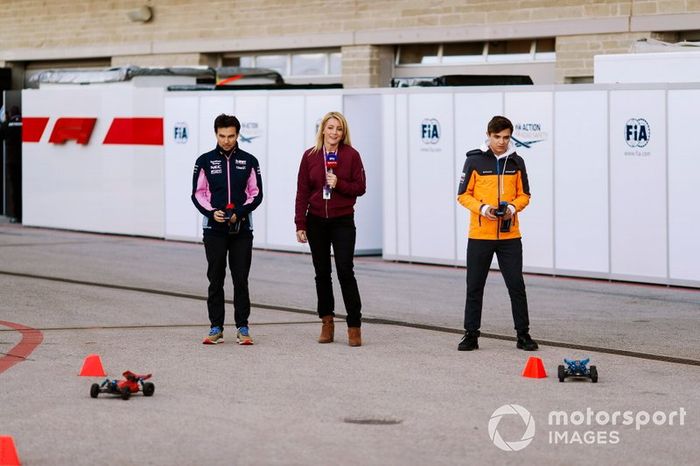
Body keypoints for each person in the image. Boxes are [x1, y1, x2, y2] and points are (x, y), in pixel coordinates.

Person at [456, 115, 538, 352]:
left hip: (510, 236)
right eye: (497, 137)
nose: (502, 142)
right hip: (480, 235)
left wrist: (512, 208)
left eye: (506, 137)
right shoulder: (474, 161)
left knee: (516, 286)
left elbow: (525, 195)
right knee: (474, 286)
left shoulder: (517, 162)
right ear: (488, 135)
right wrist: (483, 209)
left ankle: (523, 335)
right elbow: (463, 195)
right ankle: (471, 335)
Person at [295, 111, 366, 346]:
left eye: (339, 129)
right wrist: (300, 223)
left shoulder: (352, 155)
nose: (334, 132)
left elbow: (360, 187)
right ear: (323, 130)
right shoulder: (310, 156)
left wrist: (340, 184)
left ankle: (354, 326)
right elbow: (302, 191)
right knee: (322, 273)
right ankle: (327, 321)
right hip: (316, 221)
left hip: (343, 220)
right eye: (331, 127)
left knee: (345, 271)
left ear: (343, 132)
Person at [191, 114, 263, 345]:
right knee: (215, 278)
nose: (227, 140)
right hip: (214, 229)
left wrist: (239, 213)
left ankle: (243, 327)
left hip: (242, 230)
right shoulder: (204, 161)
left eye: (231, 136)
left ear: (237, 134)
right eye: (222, 136)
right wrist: (212, 212)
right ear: (216, 134)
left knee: (241, 279)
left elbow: (256, 193)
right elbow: (198, 193)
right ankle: (216, 328)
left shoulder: (250, 160)